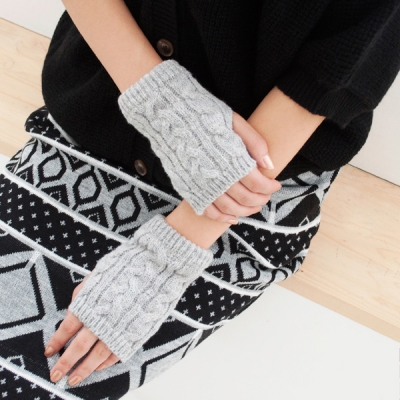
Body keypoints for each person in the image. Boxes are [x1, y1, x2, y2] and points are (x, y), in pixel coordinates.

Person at [0, 0, 399, 398]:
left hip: (252, 186)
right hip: (101, 112)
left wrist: (163, 260)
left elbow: (340, 64)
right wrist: (161, 101)